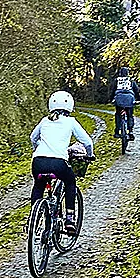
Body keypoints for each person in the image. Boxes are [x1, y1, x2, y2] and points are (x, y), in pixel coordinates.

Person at [31, 90, 92, 230]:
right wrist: (89, 155)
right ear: (70, 106)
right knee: (70, 183)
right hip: (58, 163)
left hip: (38, 162)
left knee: (39, 186)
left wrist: (37, 149)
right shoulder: (70, 121)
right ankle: (70, 219)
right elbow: (87, 142)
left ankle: (33, 220)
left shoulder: (44, 121)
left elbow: (33, 138)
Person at [111, 67, 138, 141]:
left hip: (119, 99)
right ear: (127, 73)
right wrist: (138, 99)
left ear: (120, 73)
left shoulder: (117, 80)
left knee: (118, 114)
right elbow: (136, 90)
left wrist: (111, 99)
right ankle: (130, 131)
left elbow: (113, 91)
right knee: (130, 115)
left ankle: (117, 131)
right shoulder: (131, 81)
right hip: (129, 99)